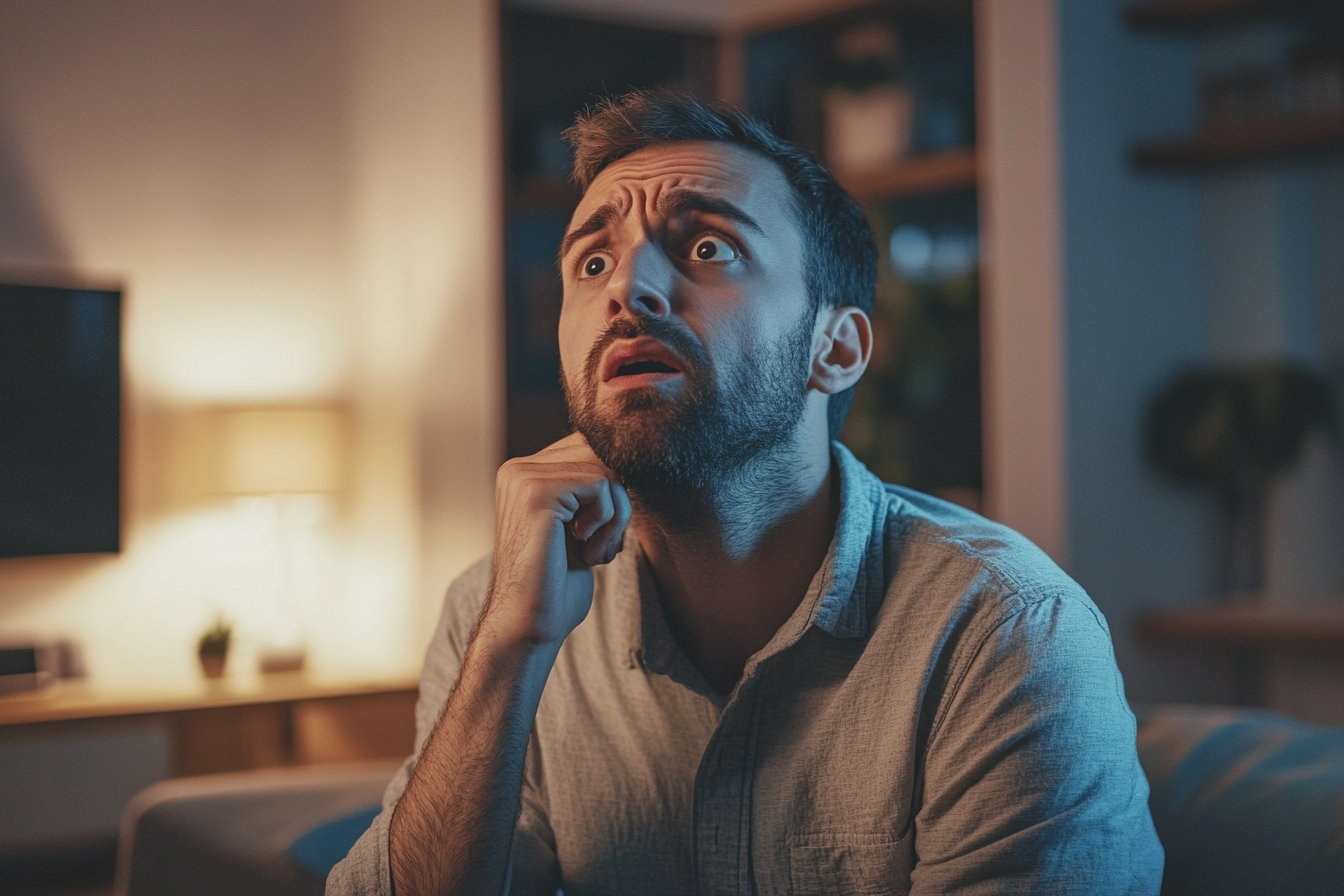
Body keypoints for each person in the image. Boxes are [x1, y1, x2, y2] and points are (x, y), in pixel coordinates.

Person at [328, 89, 1163, 896]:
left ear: (835, 348)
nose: (627, 289)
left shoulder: (1005, 636)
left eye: (707, 248)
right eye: (592, 261)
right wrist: (508, 654)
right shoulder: (495, 610)